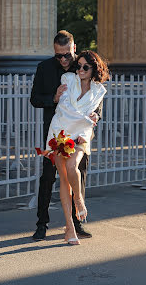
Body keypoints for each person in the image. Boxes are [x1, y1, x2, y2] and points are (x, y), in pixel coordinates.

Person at [30, 31, 102, 241]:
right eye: (58, 55)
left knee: (79, 172)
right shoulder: (45, 68)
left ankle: (76, 224)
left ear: (74, 48)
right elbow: (34, 99)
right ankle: (42, 224)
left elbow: (97, 101)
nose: (63, 59)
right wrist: (53, 97)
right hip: (56, 130)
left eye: (67, 55)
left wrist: (96, 116)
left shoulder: (82, 65)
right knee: (49, 177)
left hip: (80, 132)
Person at [45, 50, 109, 244]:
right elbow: (63, 107)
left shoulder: (99, 90)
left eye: (85, 67)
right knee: (64, 178)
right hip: (60, 132)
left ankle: (79, 199)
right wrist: (87, 118)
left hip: (81, 135)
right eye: (79, 65)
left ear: (94, 70)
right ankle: (70, 227)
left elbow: (94, 113)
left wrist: (92, 118)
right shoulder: (67, 78)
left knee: (73, 167)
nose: (80, 69)